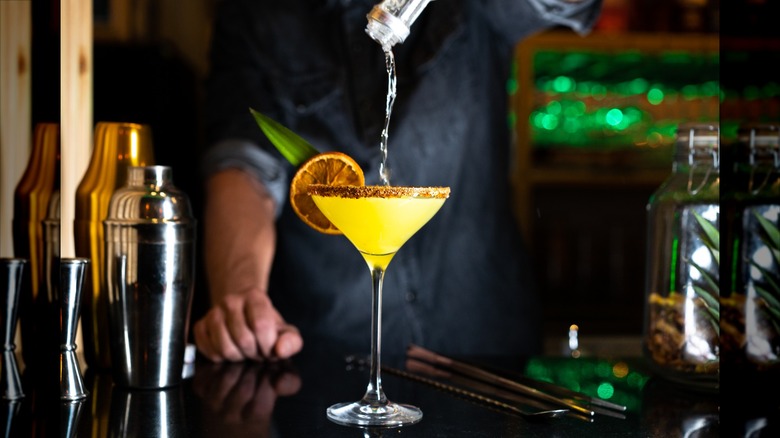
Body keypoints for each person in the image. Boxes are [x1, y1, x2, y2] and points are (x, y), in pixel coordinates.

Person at [193, 0, 603, 363]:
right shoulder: (257, 16)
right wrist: (242, 293)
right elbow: (243, 166)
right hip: (328, 352)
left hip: (483, 339)